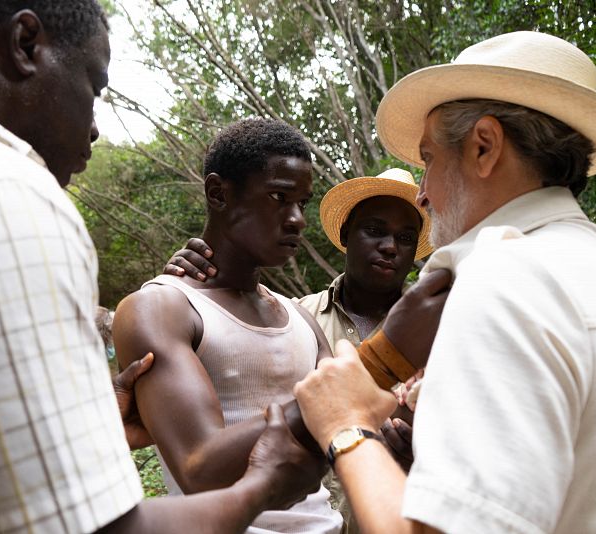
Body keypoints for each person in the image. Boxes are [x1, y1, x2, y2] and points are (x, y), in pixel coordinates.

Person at [0, 1, 326, 532]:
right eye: (93, 88)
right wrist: (264, 484)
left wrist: (84, 420)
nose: (93, 128)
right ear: (25, 44)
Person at [293, 30, 596, 534]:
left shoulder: (503, 279)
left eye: (429, 160)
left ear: (483, 146)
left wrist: (345, 424)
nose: (424, 195)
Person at [165, 168, 436, 531]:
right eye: (374, 230)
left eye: (404, 237)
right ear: (345, 235)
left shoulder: (437, 335)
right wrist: (189, 283)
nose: (390, 246)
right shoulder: (292, 320)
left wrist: (417, 456)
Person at [113, 117, 343, 533]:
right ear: (219, 194)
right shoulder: (161, 309)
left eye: (302, 203)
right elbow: (199, 469)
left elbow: (350, 421)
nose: (297, 220)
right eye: (278, 196)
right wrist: (330, 398)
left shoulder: (300, 316)